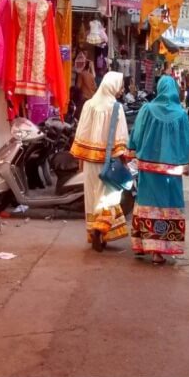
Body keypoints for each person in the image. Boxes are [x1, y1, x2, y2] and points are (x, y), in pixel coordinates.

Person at [127, 76, 189, 264]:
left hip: (148, 169)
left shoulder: (147, 110)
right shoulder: (181, 114)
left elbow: (137, 133)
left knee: (147, 204)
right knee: (167, 207)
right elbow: (186, 142)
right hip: (171, 172)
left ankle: (143, 245)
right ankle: (158, 252)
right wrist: (184, 165)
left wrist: (132, 152)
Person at [70, 72, 129, 252]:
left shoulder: (88, 105)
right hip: (108, 162)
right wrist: (124, 160)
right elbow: (121, 137)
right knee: (107, 198)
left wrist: (81, 159)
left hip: (89, 161)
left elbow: (81, 131)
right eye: (119, 86)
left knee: (92, 196)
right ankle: (100, 229)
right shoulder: (116, 108)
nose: (120, 90)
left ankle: (96, 232)